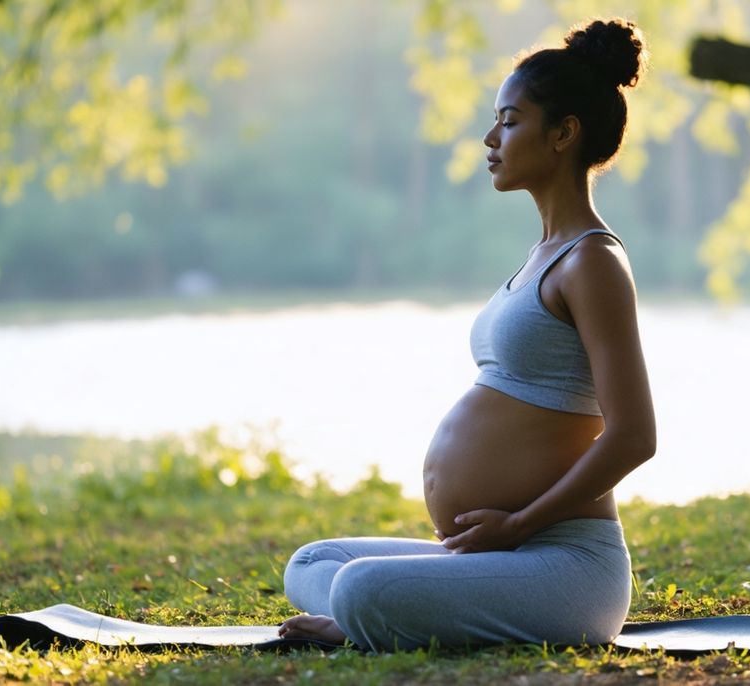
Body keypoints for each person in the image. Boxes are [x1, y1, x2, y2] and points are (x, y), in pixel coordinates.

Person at [278, 18, 655, 652]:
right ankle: (402, 606)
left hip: (566, 567)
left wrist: (518, 526)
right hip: (500, 550)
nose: (490, 138)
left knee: (357, 589)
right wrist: (499, 534)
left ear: (563, 133)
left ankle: (366, 619)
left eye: (510, 120)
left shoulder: (594, 263)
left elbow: (635, 436)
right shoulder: (545, 254)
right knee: (315, 563)